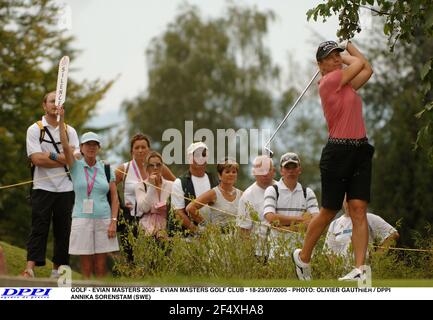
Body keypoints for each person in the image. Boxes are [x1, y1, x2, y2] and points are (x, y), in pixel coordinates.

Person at [292, 40, 375, 281]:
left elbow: (367, 69)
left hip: (360, 150)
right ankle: (303, 257)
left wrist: (347, 45)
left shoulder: (347, 85)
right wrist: (348, 49)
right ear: (320, 65)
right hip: (337, 152)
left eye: (337, 55)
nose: (336, 59)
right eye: (330, 57)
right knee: (329, 210)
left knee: (359, 210)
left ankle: (360, 270)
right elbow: (359, 62)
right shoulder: (328, 81)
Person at [23, 91, 79, 278]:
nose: (55, 104)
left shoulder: (70, 131)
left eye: (59, 101)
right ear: (44, 105)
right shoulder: (35, 129)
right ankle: (30, 268)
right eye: (52, 101)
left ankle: (58, 270)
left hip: (66, 188)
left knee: (64, 230)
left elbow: (76, 159)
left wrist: (52, 155)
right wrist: (65, 156)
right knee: (39, 228)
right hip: (42, 187)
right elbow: (37, 159)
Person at [59, 107, 120, 278]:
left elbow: (114, 198)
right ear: (82, 147)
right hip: (81, 218)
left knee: (101, 266)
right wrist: (61, 119)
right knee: (86, 267)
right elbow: (64, 145)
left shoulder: (106, 168)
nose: (91, 147)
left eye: (95, 144)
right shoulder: (75, 166)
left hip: (104, 219)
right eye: (88, 144)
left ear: (98, 147)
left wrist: (113, 222)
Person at [115, 133, 175, 260]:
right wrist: (120, 205)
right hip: (131, 218)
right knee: (131, 257)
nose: (140, 150)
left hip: (156, 218)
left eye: (143, 147)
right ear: (132, 150)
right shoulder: (124, 169)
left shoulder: (158, 167)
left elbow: (177, 185)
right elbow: (108, 187)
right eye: (137, 147)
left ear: (149, 149)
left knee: (156, 257)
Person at [263, 152, 319, 258]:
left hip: (303, 253)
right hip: (277, 252)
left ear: (299, 170)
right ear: (281, 171)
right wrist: (301, 220)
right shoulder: (272, 190)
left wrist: (288, 228)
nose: (291, 170)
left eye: (294, 167)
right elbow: (270, 217)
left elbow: (316, 221)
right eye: (287, 167)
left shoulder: (308, 192)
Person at [324, 196, 399, 260]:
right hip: (342, 275)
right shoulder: (334, 224)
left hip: (365, 273)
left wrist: (377, 256)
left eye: (351, 200)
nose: (348, 203)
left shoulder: (369, 218)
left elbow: (393, 234)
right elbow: (329, 253)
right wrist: (337, 271)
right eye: (346, 200)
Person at [170, 142, 219, 235]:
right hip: (189, 238)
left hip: (213, 235)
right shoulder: (180, 182)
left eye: (203, 154)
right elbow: (178, 213)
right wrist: (198, 231)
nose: (200, 158)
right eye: (196, 155)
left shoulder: (214, 179)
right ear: (189, 158)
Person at [186, 158, 242, 231]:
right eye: (227, 172)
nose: (231, 174)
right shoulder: (213, 193)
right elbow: (190, 208)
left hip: (237, 239)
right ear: (220, 175)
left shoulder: (242, 194)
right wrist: (207, 226)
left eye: (234, 172)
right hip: (218, 239)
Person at [236, 155, 276, 257]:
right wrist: (249, 256)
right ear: (254, 172)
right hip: (260, 253)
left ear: (274, 171)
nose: (265, 174)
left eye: (268, 170)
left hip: (283, 250)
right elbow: (244, 231)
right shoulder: (247, 196)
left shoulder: (283, 189)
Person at [135, 151, 173, 240]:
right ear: (147, 168)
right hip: (147, 230)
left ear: (162, 167)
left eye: (158, 165)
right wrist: (151, 186)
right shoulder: (140, 186)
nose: (155, 168)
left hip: (168, 228)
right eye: (152, 165)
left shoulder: (171, 185)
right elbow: (144, 208)